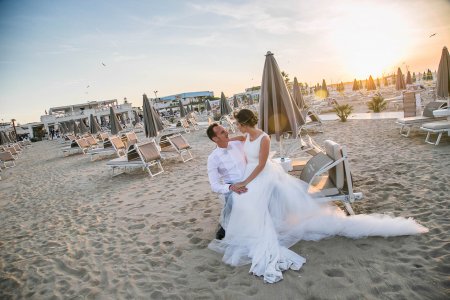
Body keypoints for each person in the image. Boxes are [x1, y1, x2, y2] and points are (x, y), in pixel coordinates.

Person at [208, 109, 428, 284]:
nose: (234, 128)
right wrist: (227, 150)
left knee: (250, 198)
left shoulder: (264, 138)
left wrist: (246, 182)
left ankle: (260, 232)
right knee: (244, 201)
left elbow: (263, 163)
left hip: (260, 174)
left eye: (236, 123)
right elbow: (234, 142)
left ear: (244, 123)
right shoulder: (244, 136)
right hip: (249, 175)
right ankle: (250, 228)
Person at [207, 123, 247, 240]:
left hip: (250, 179)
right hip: (233, 186)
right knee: (231, 201)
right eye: (222, 132)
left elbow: (244, 138)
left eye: (225, 130)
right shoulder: (213, 158)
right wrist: (230, 187)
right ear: (215, 139)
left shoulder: (237, 143)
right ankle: (224, 226)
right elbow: (214, 185)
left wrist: (228, 140)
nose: (227, 132)